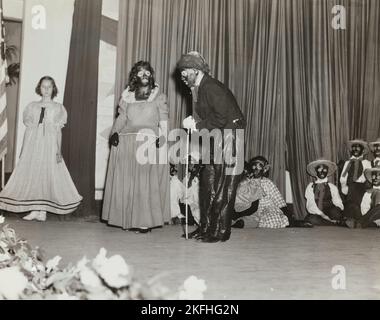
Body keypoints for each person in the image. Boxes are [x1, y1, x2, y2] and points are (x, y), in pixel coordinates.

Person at [177, 51, 245, 242]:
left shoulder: (211, 87)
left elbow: (222, 117)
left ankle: (221, 232)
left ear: (196, 70)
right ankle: (206, 227)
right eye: (181, 71)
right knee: (207, 184)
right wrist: (196, 122)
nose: (182, 76)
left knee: (224, 186)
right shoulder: (197, 88)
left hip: (230, 137)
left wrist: (196, 126)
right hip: (214, 137)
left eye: (185, 71)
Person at [0, 76, 82, 221]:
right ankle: (35, 209)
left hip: (50, 145)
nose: (46, 90)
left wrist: (58, 150)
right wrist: (24, 149)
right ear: (39, 88)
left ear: (53, 89)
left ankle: (42, 210)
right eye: (43, 86)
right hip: (34, 145)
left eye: (49, 87)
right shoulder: (32, 107)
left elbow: (58, 131)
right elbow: (29, 130)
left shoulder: (58, 108)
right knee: (35, 173)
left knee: (47, 173)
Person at [102, 61, 170, 233]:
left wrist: (163, 138)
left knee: (144, 183)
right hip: (126, 142)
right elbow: (121, 119)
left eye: (147, 72)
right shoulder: (127, 98)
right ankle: (127, 218)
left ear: (151, 75)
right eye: (140, 73)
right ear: (135, 77)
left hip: (147, 143)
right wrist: (114, 134)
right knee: (129, 181)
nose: (144, 75)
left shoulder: (158, 97)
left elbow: (163, 121)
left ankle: (144, 221)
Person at [232, 156, 312, 229]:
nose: (256, 168)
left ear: (264, 169)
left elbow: (279, 201)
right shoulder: (246, 182)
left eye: (259, 166)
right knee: (245, 220)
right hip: (251, 211)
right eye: (254, 165)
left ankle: (292, 223)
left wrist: (289, 217)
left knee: (271, 220)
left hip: (267, 209)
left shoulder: (267, 183)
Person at [305, 159, 353, 227]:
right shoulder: (310, 186)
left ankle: (332, 221)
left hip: (330, 211)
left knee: (336, 213)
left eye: (324, 170)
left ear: (327, 172)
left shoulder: (332, 187)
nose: (322, 172)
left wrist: (337, 210)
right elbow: (310, 205)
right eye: (319, 170)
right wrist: (323, 215)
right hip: (317, 213)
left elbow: (338, 202)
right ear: (316, 171)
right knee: (311, 219)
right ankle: (334, 223)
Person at [340, 139, 371, 223]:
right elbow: (343, 177)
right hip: (349, 187)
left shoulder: (366, 163)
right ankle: (354, 217)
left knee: (354, 188)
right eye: (353, 148)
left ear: (363, 150)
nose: (355, 149)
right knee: (352, 188)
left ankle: (350, 216)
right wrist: (344, 186)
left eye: (358, 148)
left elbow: (369, 177)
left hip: (362, 187)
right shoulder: (348, 163)